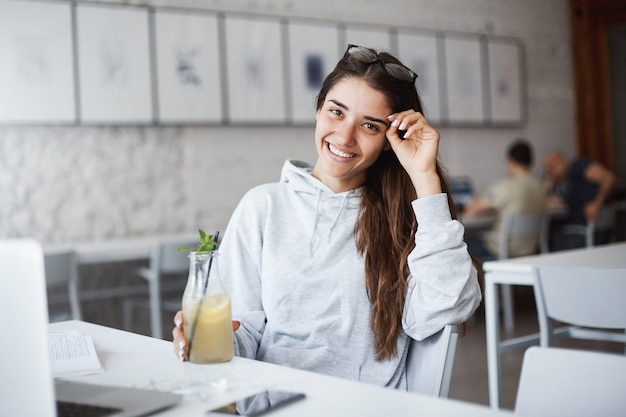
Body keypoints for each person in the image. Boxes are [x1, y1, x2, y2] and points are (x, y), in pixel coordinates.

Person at [172, 44, 482, 413]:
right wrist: (212, 340)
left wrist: (424, 178)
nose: (345, 137)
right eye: (336, 112)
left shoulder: (406, 219)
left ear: (389, 140)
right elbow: (246, 331)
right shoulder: (263, 207)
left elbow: (451, 307)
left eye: (370, 125)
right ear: (318, 110)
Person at [463, 140, 547, 263]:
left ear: (509, 161)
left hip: (503, 249)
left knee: (467, 241)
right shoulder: (541, 186)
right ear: (531, 161)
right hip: (530, 248)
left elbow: (471, 209)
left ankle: (483, 282)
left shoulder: (506, 186)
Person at [543, 151, 616, 249]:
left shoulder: (579, 166)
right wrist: (551, 180)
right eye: (548, 168)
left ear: (566, 161)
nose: (551, 170)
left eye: (554, 165)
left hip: (589, 230)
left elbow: (609, 178)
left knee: (549, 237)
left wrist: (597, 203)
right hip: (580, 228)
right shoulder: (561, 184)